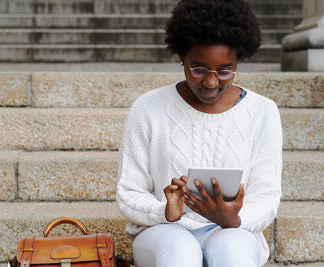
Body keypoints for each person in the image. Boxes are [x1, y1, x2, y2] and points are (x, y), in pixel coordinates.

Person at [116, 0, 283, 266]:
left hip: (232, 231)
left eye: (225, 70)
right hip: (162, 231)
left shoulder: (263, 111)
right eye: (198, 68)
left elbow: (266, 196)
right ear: (181, 56)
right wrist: (165, 211)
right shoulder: (148, 108)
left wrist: (232, 218)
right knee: (179, 251)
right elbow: (129, 192)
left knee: (233, 253)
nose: (211, 82)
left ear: (239, 59)